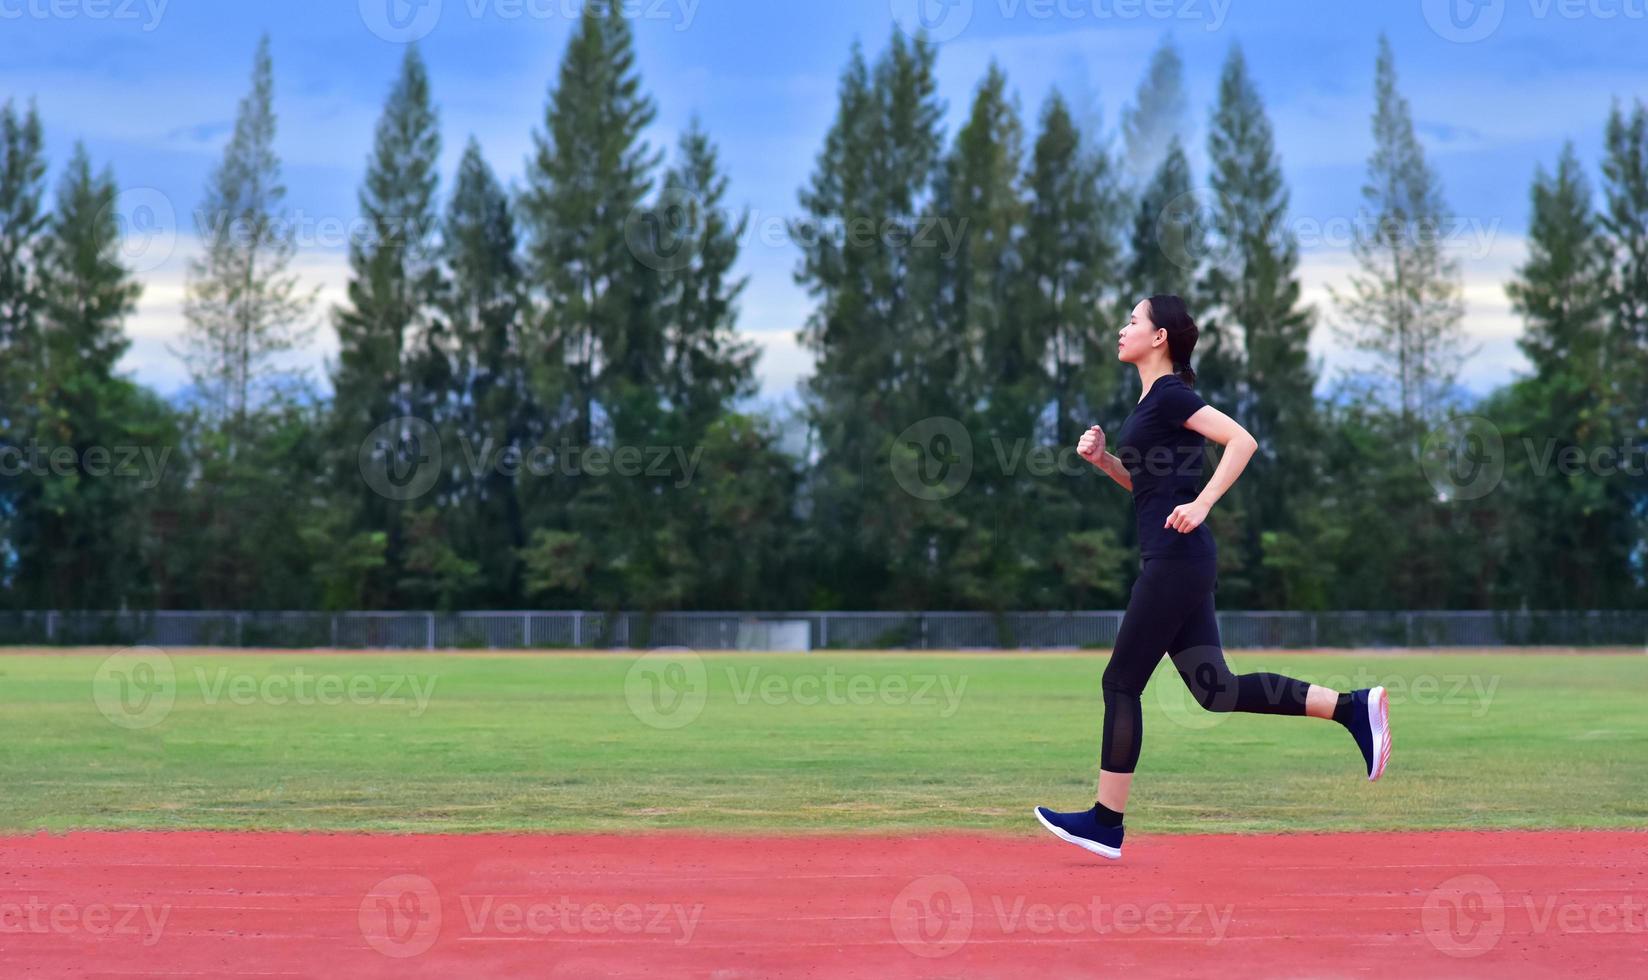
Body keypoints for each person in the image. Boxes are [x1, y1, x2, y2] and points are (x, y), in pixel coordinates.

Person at [1034, 294, 1391, 861]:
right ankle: (1351, 707)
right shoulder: (1153, 401)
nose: (1122, 328)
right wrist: (1104, 462)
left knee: (1120, 683)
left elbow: (1242, 441)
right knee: (1215, 690)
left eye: (1132, 320)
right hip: (1178, 560)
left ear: (1160, 338)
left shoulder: (1173, 393)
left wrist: (1202, 504)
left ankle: (1105, 821)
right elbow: (1150, 490)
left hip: (1177, 561)